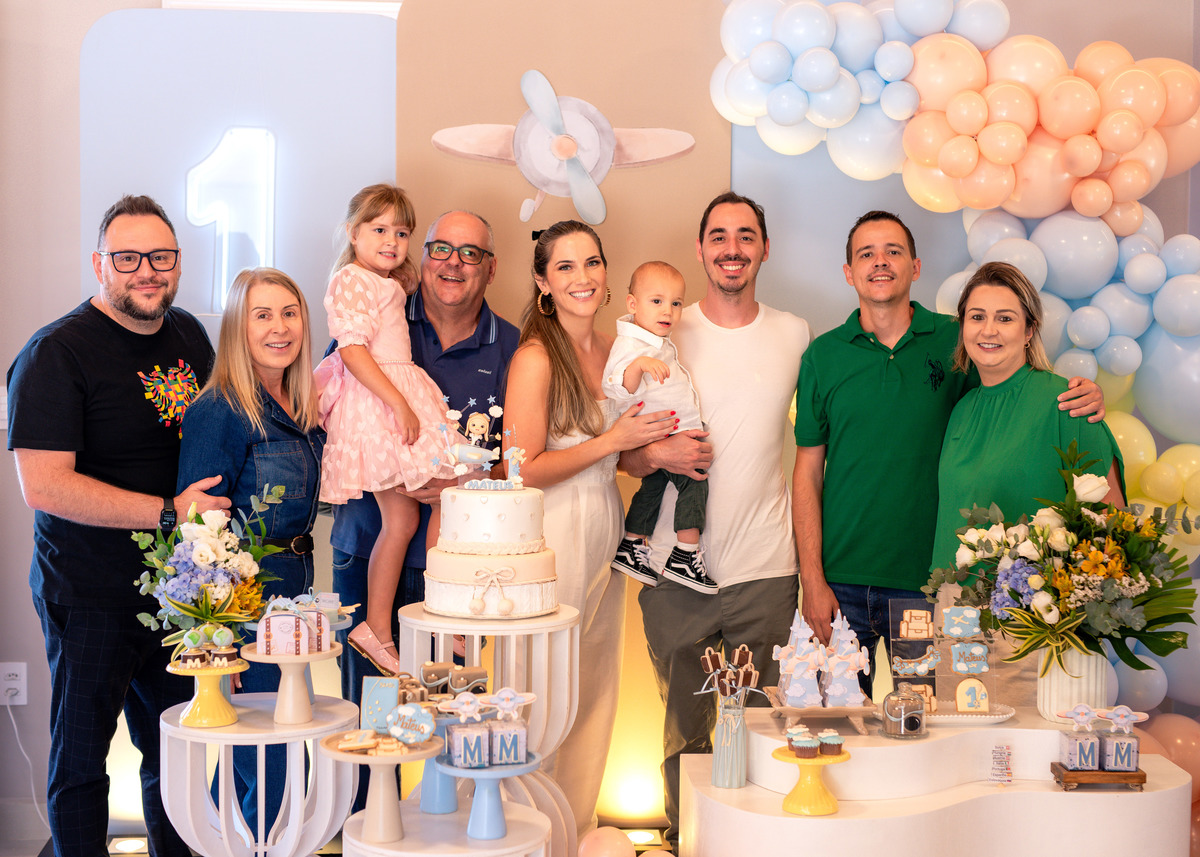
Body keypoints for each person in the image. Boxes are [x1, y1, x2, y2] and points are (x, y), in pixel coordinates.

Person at [792, 211, 1105, 697]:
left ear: (916, 266)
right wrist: (811, 578)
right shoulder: (823, 355)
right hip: (840, 586)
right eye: (866, 254)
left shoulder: (957, 339)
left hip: (926, 586)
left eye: (893, 251)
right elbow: (807, 473)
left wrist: (1086, 396)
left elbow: (1012, 390)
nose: (880, 262)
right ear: (849, 272)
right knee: (832, 718)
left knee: (928, 718)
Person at [7, 194, 228, 857]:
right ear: (99, 263)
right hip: (88, 594)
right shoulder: (55, 353)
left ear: (178, 262)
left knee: (177, 754)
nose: (147, 271)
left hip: (176, 597)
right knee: (81, 764)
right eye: (128, 258)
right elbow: (44, 486)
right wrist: (168, 511)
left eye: (161, 256)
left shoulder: (189, 335)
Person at [623, 192, 811, 849]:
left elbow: (817, 443)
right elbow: (619, 451)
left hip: (766, 568)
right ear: (702, 249)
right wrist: (656, 454)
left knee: (761, 727)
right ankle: (688, 840)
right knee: (687, 729)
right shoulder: (665, 333)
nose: (733, 248)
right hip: (675, 570)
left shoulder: (795, 334)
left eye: (746, 235)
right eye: (719, 236)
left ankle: (758, 844)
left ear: (764, 248)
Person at [331, 210, 519, 809]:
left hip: (459, 573)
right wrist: (393, 471)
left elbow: (521, 456)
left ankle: (452, 829)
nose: (452, 263)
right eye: (440, 248)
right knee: (373, 724)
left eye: (470, 253)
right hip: (368, 551)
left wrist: (466, 480)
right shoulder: (379, 305)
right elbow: (334, 403)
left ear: (492, 268)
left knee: (452, 718)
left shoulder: (511, 346)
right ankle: (369, 829)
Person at [502, 221, 670, 838]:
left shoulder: (613, 348)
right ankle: (522, 832)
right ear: (543, 282)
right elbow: (521, 471)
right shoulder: (535, 357)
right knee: (541, 692)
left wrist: (649, 452)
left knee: (594, 689)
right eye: (565, 267)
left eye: (592, 263)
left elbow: (614, 459)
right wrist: (614, 441)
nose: (583, 277)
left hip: (604, 525)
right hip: (549, 532)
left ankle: (571, 831)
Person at [175, 267, 325, 836]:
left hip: (293, 599)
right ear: (239, 327)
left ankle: (227, 845)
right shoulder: (220, 410)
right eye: (262, 315)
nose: (279, 328)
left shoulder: (301, 402)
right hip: (246, 607)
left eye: (289, 313)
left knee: (265, 755)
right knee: (271, 761)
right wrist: (219, 638)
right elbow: (200, 532)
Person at [315, 184, 466, 676]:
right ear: (352, 232)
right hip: (378, 402)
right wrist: (398, 402)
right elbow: (352, 348)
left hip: (394, 391)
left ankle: (380, 627)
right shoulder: (351, 279)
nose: (391, 241)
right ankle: (438, 612)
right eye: (379, 229)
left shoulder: (384, 282)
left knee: (407, 519)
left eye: (401, 233)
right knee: (443, 492)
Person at [605, 261, 717, 593]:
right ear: (632, 304)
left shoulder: (657, 341)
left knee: (652, 488)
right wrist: (639, 365)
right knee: (695, 480)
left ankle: (631, 543)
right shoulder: (631, 345)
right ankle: (685, 553)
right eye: (656, 301)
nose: (667, 310)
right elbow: (615, 386)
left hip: (666, 430)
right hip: (667, 432)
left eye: (676, 303)